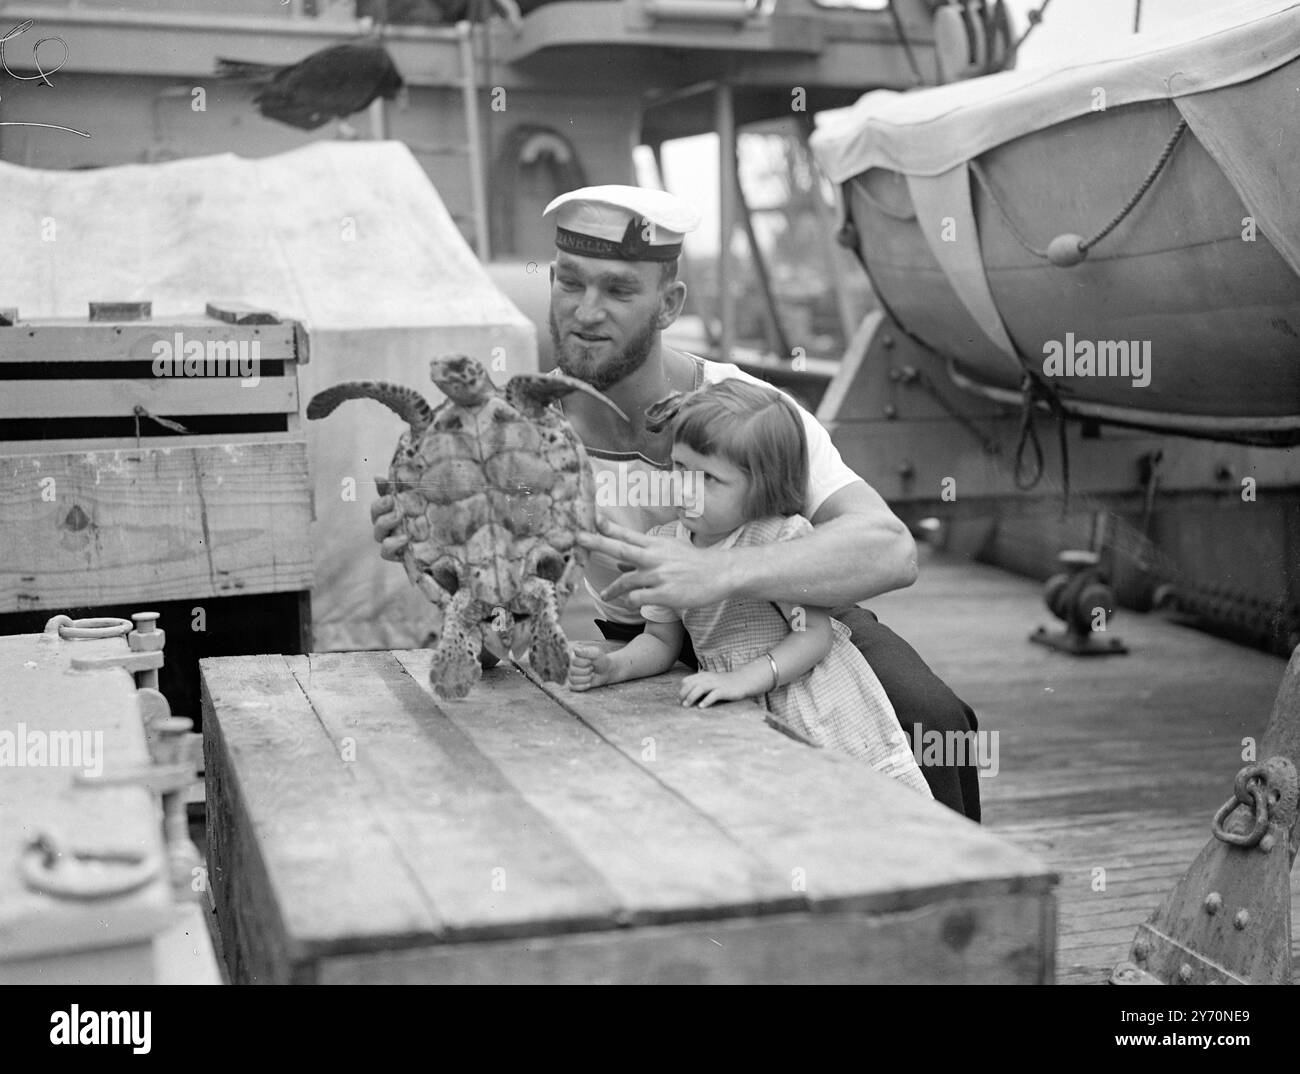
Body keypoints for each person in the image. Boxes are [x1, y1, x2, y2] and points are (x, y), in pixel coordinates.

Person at [369, 183, 983, 821]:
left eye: (619, 290)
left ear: (670, 304)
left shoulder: (746, 411)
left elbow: (891, 550)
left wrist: (716, 571)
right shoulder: (509, 438)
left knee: (935, 726)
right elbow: (501, 639)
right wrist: (442, 563)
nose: (586, 312)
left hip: (789, 619)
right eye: (571, 283)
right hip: (647, 643)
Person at [567, 379, 933, 797]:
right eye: (680, 468)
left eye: (710, 479)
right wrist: (614, 668)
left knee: (846, 805)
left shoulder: (781, 541)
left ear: (763, 485)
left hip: (811, 704)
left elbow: (814, 635)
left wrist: (745, 680)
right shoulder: (668, 543)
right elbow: (661, 639)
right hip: (733, 702)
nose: (686, 488)